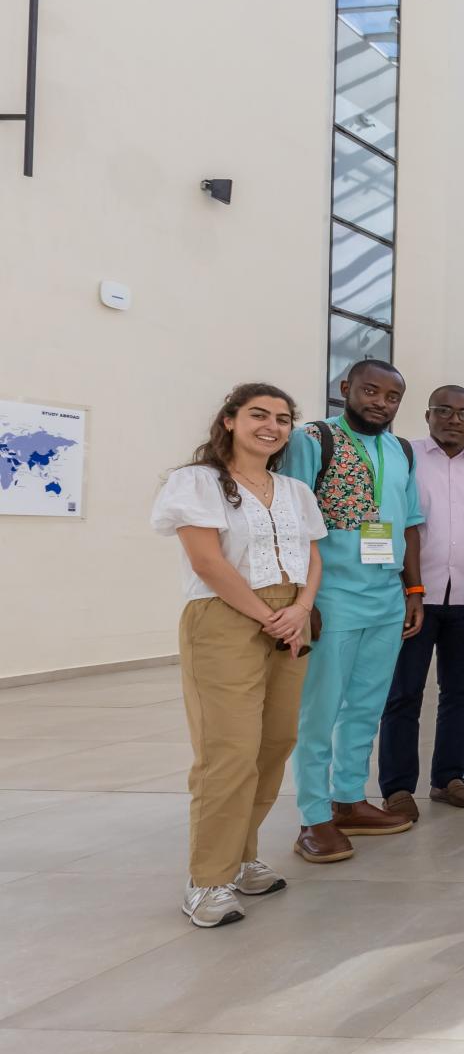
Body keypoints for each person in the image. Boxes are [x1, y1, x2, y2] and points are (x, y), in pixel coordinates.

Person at [153, 383, 326, 925]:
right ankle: (206, 880)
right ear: (229, 420)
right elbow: (209, 563)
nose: (271, 425)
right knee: (229, 750)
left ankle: (243, 856)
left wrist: (300, 608)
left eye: (281, 418)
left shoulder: (296, 490)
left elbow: (312, 557)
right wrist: (267, 613)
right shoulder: (197, 482)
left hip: (290, 620)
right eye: (258, 415)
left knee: (274, 743)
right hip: (226, 618)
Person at [278, 360, 424, 861]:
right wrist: (303, 599)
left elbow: (409, 524)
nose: (380, 402)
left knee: (366, 707)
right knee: (319, 711)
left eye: (391, 396)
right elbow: (290, 522)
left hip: (385, 598)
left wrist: (414, 590)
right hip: (331, 598)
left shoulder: (401, 449)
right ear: (346, 389)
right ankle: (314, 816)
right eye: (370, 391)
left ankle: (348, 800)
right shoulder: (312, 440)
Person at [376, 386, 464, 819]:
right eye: (443, 411)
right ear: (428, 415)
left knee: (461, 692)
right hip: (414, 597)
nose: (453, 419)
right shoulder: (403, 456)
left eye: (463, 413)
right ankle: (397, 788)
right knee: (403, 694)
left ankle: (449, 777)